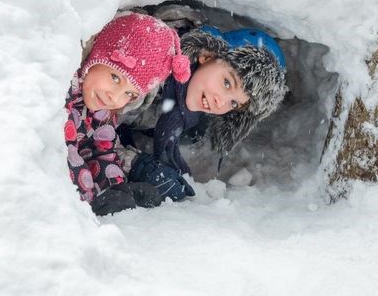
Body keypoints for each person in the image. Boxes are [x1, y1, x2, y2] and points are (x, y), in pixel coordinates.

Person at [123, 23, 287, 196]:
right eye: (227, 83)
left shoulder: (191, 115)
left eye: (234, 104)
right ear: (206, 55)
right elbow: (98, 119)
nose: (221, 102)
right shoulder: (150, 70)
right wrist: (133, 163)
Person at [64, 11, 191, 216]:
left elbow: (100, 151)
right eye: (115, 78)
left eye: (129, 93)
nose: (115, 97)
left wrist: (118, 188)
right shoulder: (62, 92)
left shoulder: (102, 108)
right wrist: (92, 198)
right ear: (97, 55)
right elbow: (63, 158)